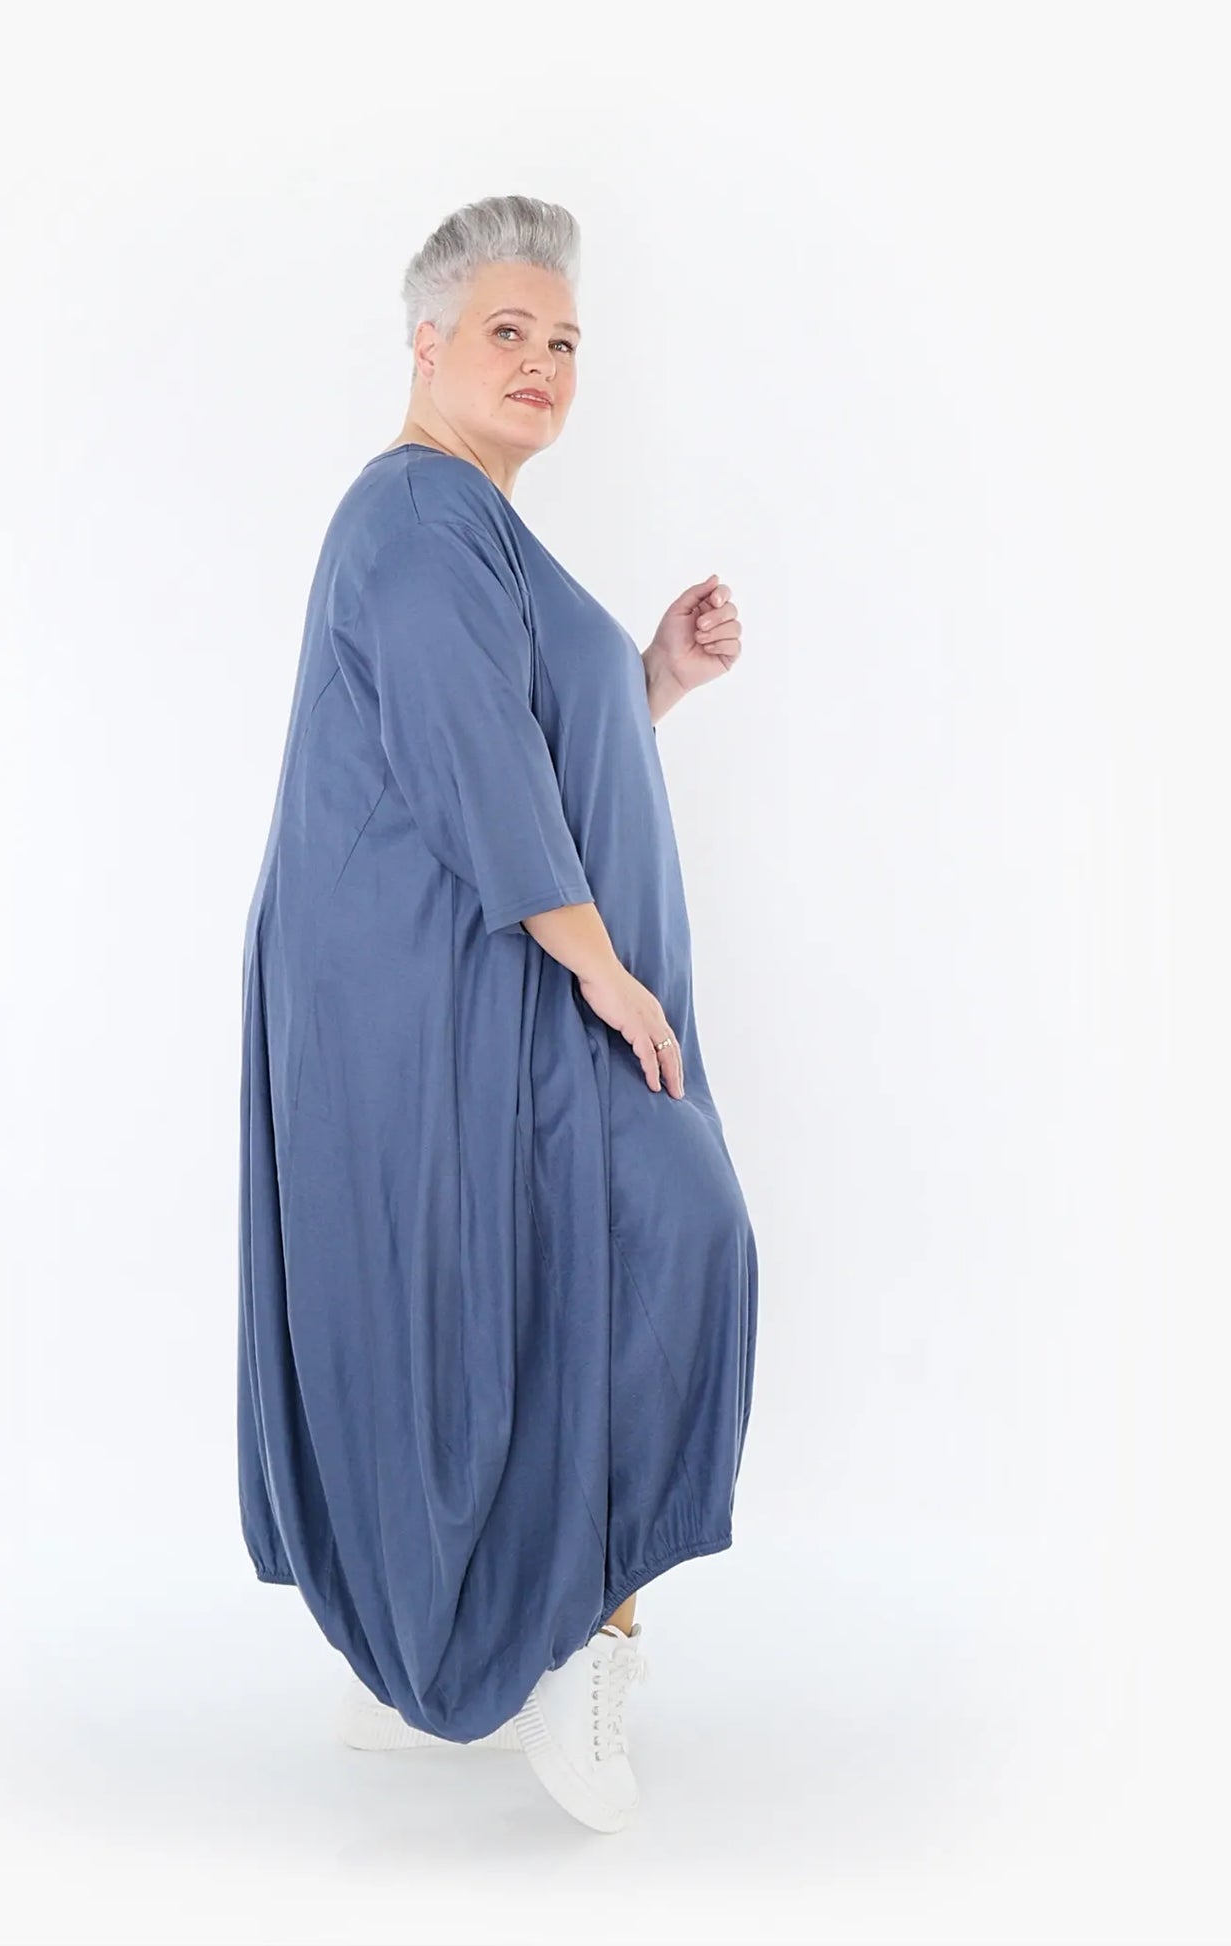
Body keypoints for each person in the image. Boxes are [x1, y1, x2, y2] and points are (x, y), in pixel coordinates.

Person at [236, 194, 759, 1833]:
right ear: (426, 345)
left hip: (503, 984)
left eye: (565, 342)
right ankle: (562, 1643)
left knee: (577, 1278)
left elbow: (524, 732)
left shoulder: (473, 527)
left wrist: (652, 679)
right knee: (669, 1232)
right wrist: (600, 968)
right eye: (508, 332)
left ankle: (454, 1649)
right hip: (462, 996)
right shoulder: (412, 512)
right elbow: (475, 766)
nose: (542, 362)